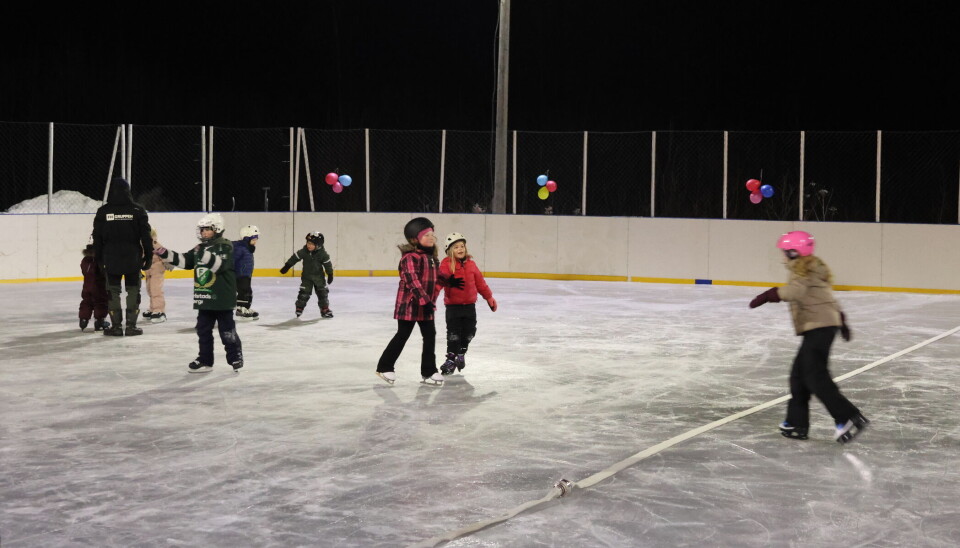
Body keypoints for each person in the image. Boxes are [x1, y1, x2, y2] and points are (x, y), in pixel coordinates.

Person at [749, 230, 868, 443]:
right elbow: (825, 297)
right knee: (799, 376)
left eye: (785, 252)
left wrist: (770, 294)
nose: (782, 256)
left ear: (794, 252)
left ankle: (848, 417)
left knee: (815, 376)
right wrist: (840, 319)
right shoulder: (811, 267)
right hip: (821, 326)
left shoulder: (802, 270)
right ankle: (796, 423)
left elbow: (796, 292)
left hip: (819, 328)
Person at [375, 217, 464, 386]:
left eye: (432, 234)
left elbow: (436, 276)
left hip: (425, 306)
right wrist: (425, 300)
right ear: (415, 239)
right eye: (426, 235)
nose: (431, 237)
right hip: (409, 305)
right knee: (403, 335)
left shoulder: (431, 257)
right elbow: (412, 280)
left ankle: (428, 371)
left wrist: (448, 280)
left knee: (430, 336)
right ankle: (384, 367)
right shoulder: (410, 257)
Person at [155, 213, 243, 373]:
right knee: (202, 330)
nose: (203, 233)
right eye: (202, 229)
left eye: (207, 229)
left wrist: (201, 252)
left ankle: (235, 356)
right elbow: (185, 261)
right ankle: (205, 359)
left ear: (217, 229)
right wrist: (163, 252)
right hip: (205, 298)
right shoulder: (200, 248)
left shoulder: (225, 246)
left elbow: (219, 266)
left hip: (222, 299)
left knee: (226, 330)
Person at [91, 177, 153, 336]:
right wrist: (149, 256)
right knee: (133, 290)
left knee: (113, 291)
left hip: (111, 258)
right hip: (133, 257)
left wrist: (98, 259)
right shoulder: (138, 210)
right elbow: (146, 236)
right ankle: (131, 326)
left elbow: (97, 238)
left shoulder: (103, 211)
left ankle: (116, 327)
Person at [438, 232, 497, 375]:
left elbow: (480, 283)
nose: (460, 249)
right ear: (449, 250)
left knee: (469, 332)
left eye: (462, 246)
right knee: (453, 334)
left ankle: (461, 353)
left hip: (470, 306)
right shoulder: (446, 264)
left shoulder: (471, 264)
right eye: (456, 247)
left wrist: (489, 297)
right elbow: (439, 280)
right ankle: (451, 359)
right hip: (453, 307)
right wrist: (430, 298)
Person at [280, 232, 334, 318]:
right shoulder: (304, 251)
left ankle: (325, 309)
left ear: (318, 245)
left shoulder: (323, 254)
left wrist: (330, 274)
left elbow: (328, 264)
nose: (309, 245)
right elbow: (295, 258)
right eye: (308, 243)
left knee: (323, 293)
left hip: (319, 277)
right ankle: (299, 307)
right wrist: (287, 266)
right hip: (306, 277)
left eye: (312, 244)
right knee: (304, 293)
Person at [79, 235, 110, 332]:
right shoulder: (99, 261)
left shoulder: (85, 260)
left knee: (86, 302)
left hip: (87, 287)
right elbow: (103, 272)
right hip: (99, 287)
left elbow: (84, 272)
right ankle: (99, 321)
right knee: (101, 302)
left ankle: (83, 319)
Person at [142, 227, 172, 323]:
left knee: (156, 290)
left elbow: (164, 253)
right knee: (149, 290)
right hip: (148, 270)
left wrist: (168, 263)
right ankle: (152, 309)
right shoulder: (141, 244)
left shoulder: (154, 244)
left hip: (157, 269)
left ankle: (159, 310)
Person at [233, 225, 260, 321]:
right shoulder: (240, 248)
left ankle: (246, 308)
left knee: (248, 291)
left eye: (256, 238)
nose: (255, 241)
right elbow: (233, 260)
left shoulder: (248, 248)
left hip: (246, 274)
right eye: (254, 239)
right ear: (246, 238)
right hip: (239, 275)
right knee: (243, 291)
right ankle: (240, 309)